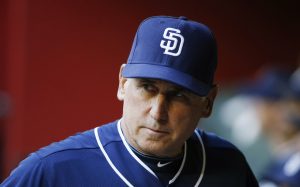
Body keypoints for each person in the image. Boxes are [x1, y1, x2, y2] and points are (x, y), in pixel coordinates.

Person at [1, 15, 258, 186]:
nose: (157, 112)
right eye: (147, 87)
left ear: (208, 102)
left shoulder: (229, 164)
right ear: (123, 83)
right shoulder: (52, 171)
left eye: (178, 94)